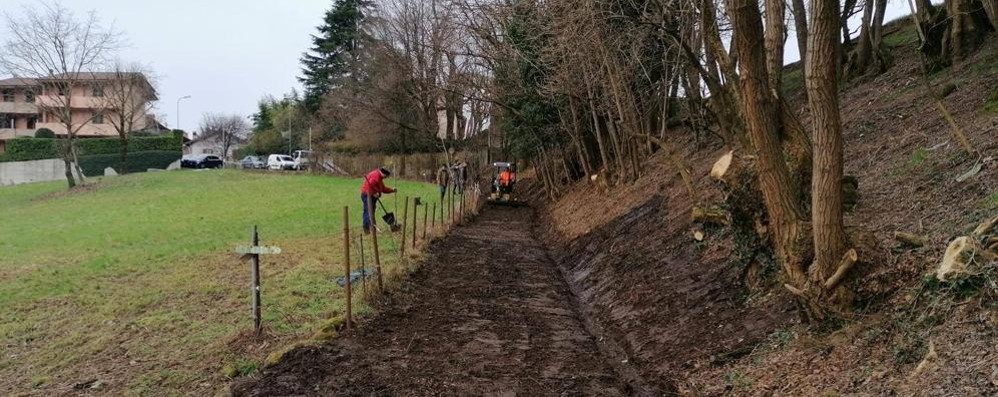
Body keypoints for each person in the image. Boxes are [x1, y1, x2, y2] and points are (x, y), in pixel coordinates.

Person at [361, 167, 396, 233]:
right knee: (368, 211)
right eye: (386, 176)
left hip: (371, 196)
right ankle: (366, 228)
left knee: (371, 211)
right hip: (367, 195)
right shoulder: (376, 176)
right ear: (384, 174)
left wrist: (392, 190)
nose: (386, 178)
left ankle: (372, 226)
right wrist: (373, 193)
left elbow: (383, 189)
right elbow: (369, 185)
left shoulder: (379, 178)